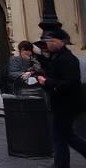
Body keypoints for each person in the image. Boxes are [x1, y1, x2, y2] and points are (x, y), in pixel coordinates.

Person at [36, 28, 86, 168]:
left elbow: (69, 83)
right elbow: (52, 70)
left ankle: (61, 165)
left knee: (60, 137)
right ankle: (61, 164)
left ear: (62, 42)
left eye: (52, 41)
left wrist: (46, 82)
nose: (49, 44)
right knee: (65, 136)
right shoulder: (56, 56)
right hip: (61, 103)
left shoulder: (68, 59)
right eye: (47, 41)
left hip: (67, 104)